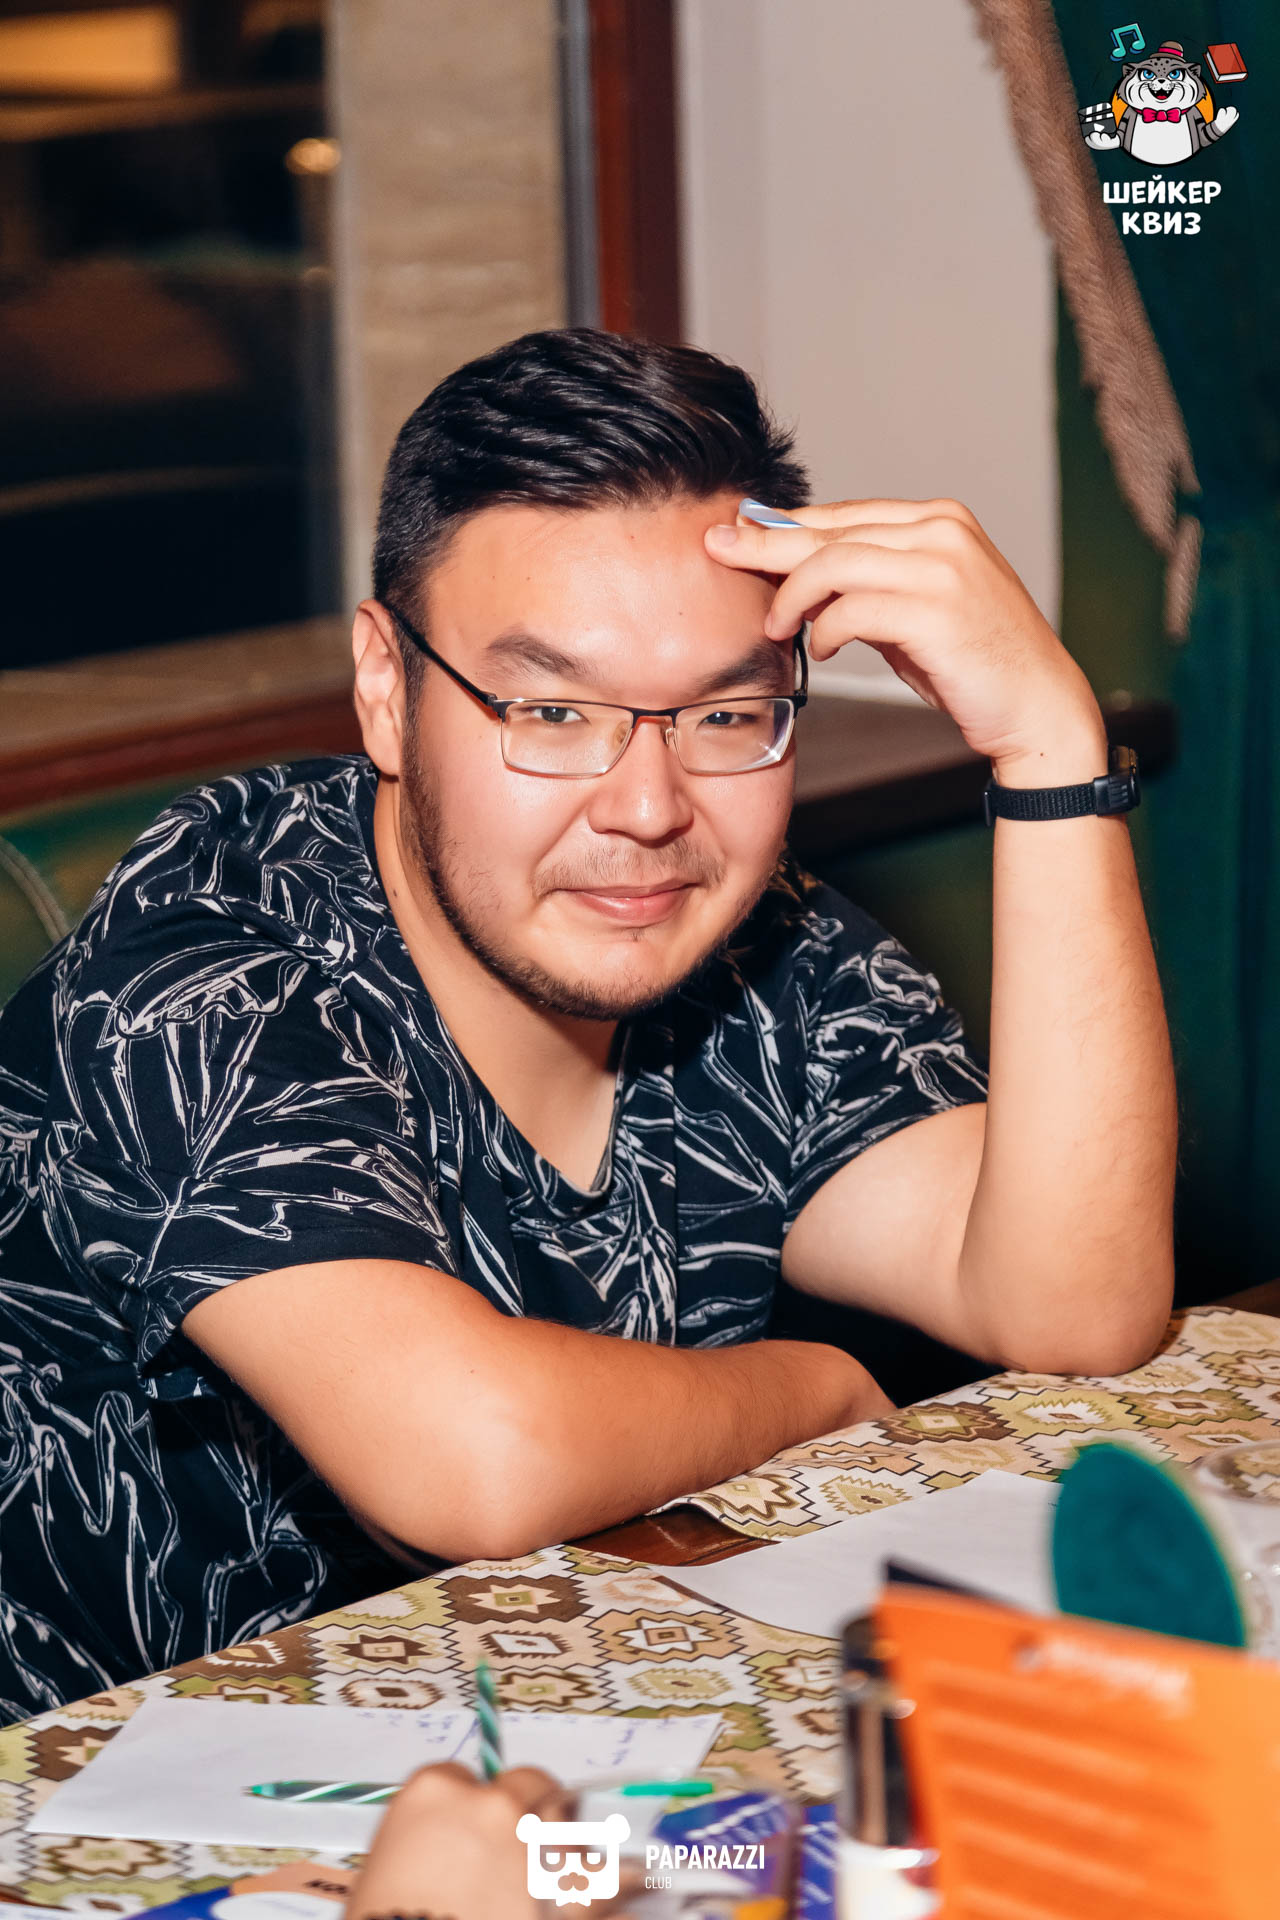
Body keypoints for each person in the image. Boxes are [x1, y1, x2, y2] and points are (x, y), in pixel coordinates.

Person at [0, 328, 1176, 1719]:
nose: (649, 809)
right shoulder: (210, 957)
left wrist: (1050, 753)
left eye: (726, 713)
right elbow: (469, 1459)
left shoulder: (760, 948)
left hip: (498, 1729)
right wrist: (815, 1389)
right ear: (386, 689)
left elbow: (1072, 1300)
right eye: (551, 711)